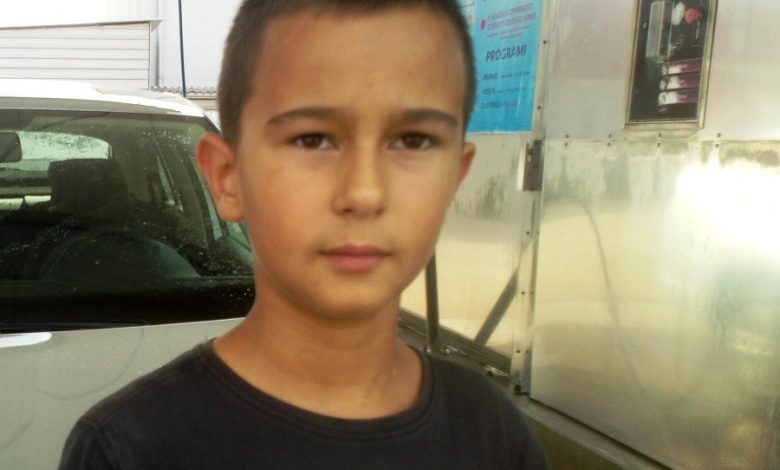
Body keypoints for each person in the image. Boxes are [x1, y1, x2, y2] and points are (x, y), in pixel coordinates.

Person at [59, 1, 547, 468]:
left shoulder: (493, 433)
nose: (365, 193)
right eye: (313, 139)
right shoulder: (132, 450)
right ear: (228, 178)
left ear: (455, 179)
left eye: (413, 140)